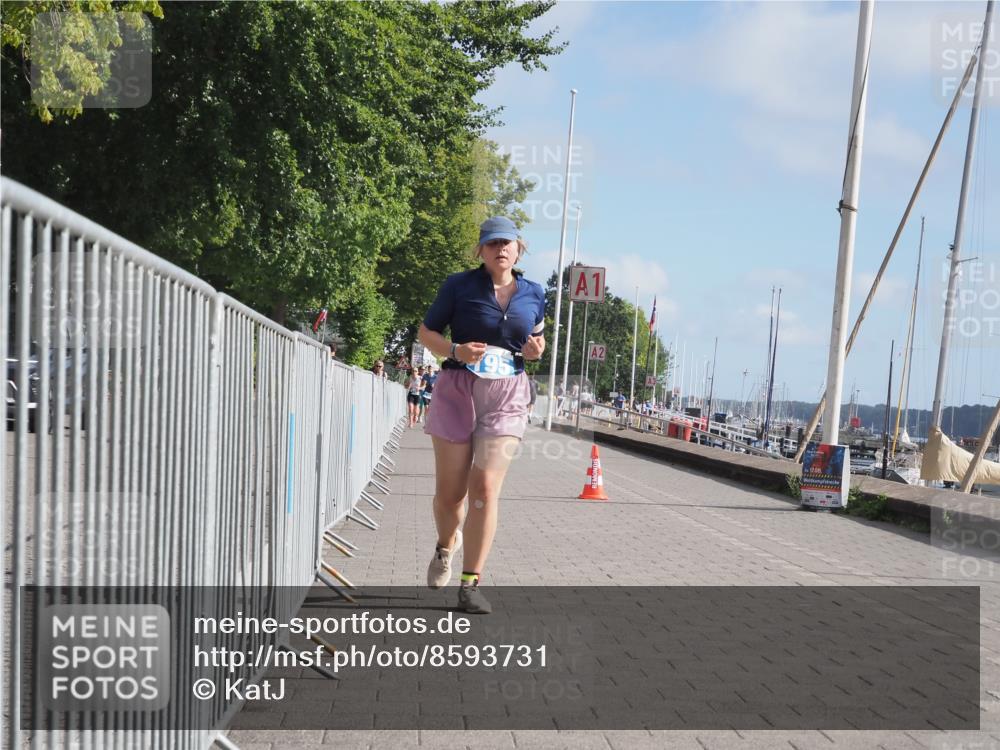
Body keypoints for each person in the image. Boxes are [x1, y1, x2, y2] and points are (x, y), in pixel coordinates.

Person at [417, 216, 545, 614]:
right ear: (481, 251)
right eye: (492, 244)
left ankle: (470, 585)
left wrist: (536, 350)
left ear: (519, 248)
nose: (500, 249)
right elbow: (426, 333)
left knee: (485, 488)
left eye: (507, 243)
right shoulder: (458, 286)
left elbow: (536, 337)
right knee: (450, 495)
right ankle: (445, 546)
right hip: (457, 389)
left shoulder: (535, 292)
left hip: (507, 393)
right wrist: (455, 350)